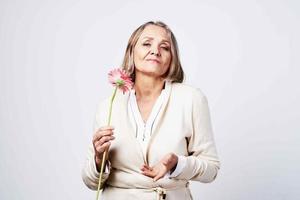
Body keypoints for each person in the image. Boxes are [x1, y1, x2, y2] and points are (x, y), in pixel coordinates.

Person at [82, 21, 220, 200]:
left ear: (172, 58)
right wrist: (99, 159)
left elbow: (211, 169)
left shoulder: (191, 99)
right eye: (147, 43)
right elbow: (91, 182)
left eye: (165, 47)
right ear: (132, 51)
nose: (155, 51)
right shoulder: (109, 106)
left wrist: (178, 164)